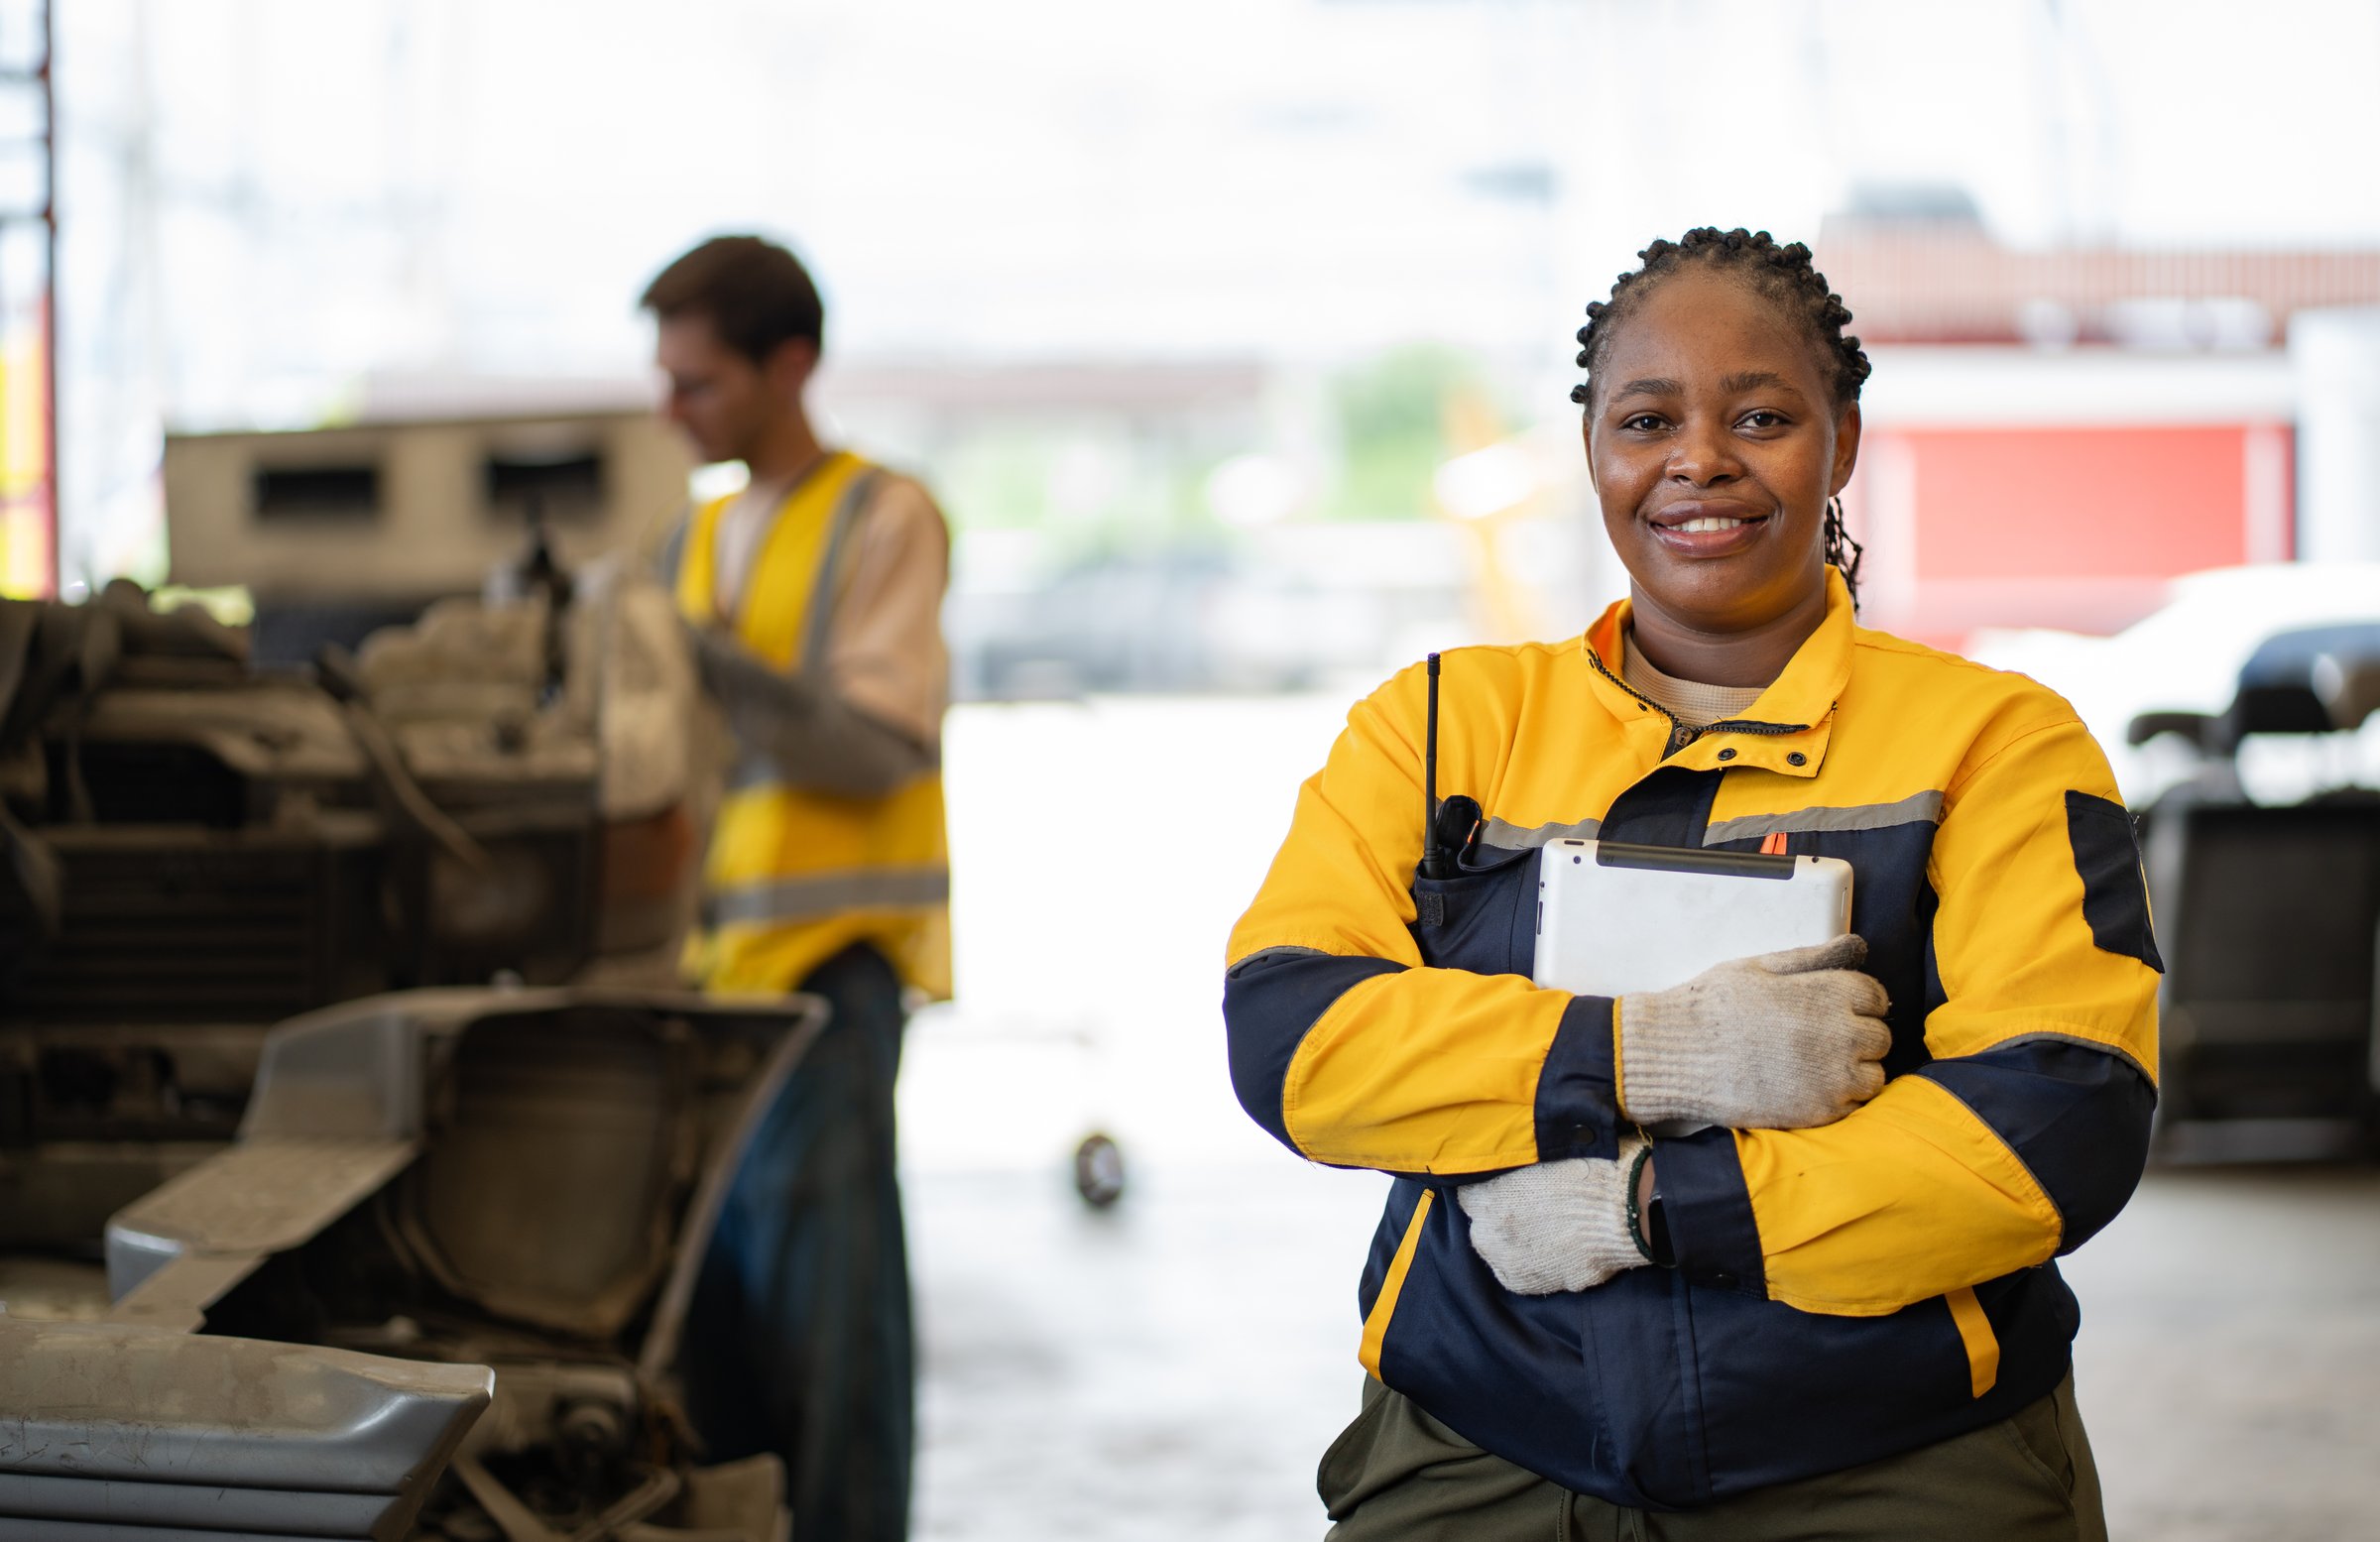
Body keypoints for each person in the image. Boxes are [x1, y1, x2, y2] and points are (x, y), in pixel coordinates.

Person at [1224, 227, 2157, 1540]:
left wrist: (1652, 1208)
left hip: (1895, 1459)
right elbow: (1295, 1037)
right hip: (1484, 1438)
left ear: (1841, 439)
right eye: (1646, 417)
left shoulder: (1994, 744)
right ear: (1595, 450)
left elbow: (2054, 1124)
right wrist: (1649, 1054)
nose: (1697, 459)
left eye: (1761, 416)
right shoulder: (1440, 726)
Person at [644, 234, 951, 1542]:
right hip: (705, 988)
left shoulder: (882, 516)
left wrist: (701, 663)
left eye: (700, 383)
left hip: (828, 980)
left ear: (792, 365)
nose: (673, 410)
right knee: (715, 1343)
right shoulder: (693, 534)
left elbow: (878, 743)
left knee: (834, 1346)